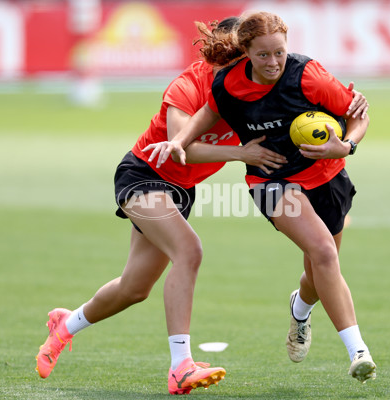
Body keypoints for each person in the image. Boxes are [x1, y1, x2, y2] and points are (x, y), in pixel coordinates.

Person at [34, 17, 292, 395]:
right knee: (189, 250)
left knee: (134, 288)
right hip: (143, 175)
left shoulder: (253, 88)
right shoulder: (190, 84)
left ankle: (65, 325)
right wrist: (241, 153)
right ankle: (180, 366)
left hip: (181, 190)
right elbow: (181, 146)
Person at [145, 11, 376, 383]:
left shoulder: (308, 75)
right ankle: (358, 351)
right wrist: (179, 140)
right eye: (263, 55)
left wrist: (345, 146)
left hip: (327, 176)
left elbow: (358, 116)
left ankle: (299, 309)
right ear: (247, 52)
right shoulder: (229, 85)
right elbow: (206, 114)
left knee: (316, 275)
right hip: (271, 181)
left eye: (279, 53)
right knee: (322, 252)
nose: (273, 63)